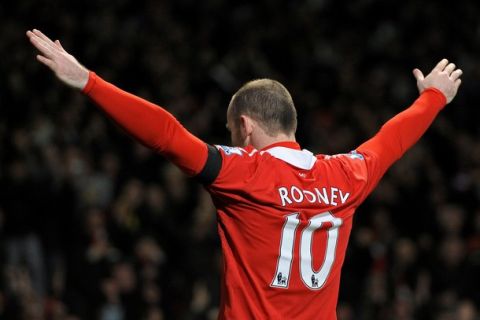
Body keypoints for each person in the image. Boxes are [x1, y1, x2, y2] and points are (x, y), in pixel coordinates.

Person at [26, 28, 462, 319]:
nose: (231, 139)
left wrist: (88, 81)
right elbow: (391, 141)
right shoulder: (347, 175)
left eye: (232, 130)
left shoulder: (242, 173)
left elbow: (166, 134)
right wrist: (433, 99)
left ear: (246, 126)